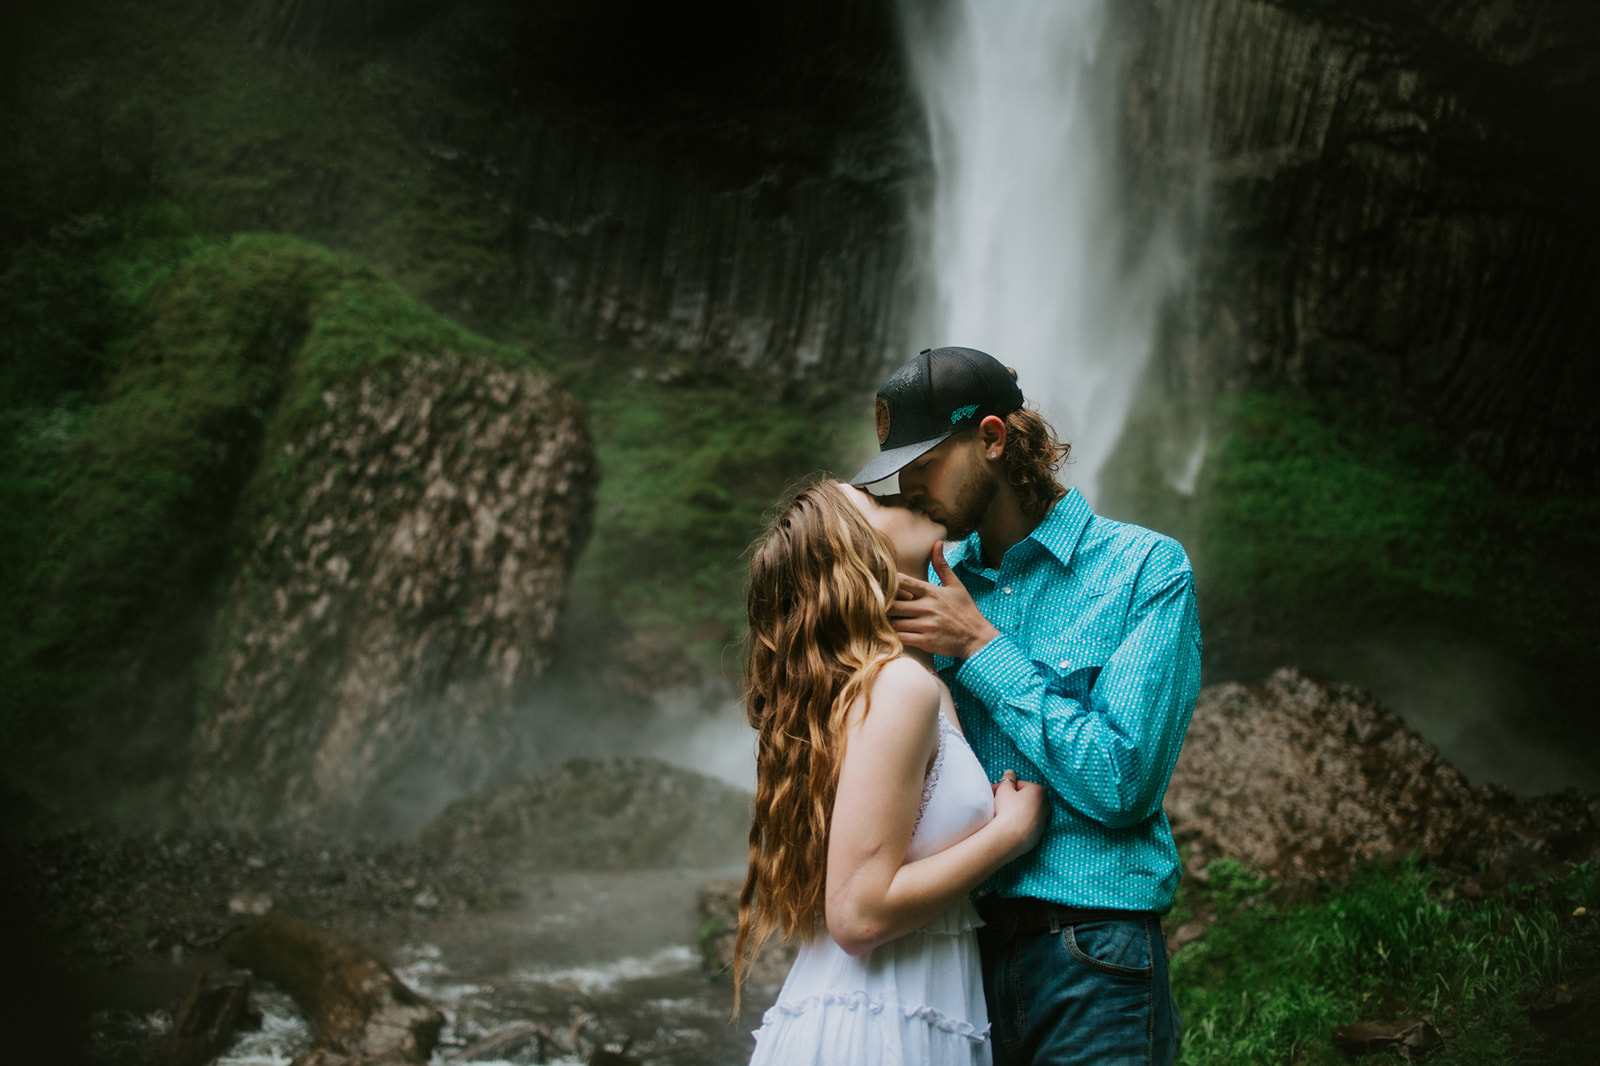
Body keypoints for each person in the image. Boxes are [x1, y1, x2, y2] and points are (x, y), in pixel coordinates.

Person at [849, 346, 1203, 1066]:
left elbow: (1122, 782)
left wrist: (981, 649)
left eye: (926, 463)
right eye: (898, 469)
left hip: (1092, 951)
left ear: (990, 438)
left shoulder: (1145, 570)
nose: (909, 488)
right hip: (952, 963)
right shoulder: (922, 579)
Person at [734, 478, 1049, 1065]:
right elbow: (857, 914)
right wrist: (1009, 834)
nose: (906, 492)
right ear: (851, 557)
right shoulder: (899, 687)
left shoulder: (897, 683)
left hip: (881, 1010)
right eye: (876, 501)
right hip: (877, 1027)